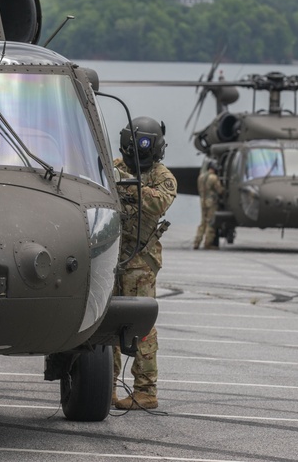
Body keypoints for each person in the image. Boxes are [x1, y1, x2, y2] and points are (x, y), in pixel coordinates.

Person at [112, 116, 177, 411]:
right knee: (105, 325)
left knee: (142, 328)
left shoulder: (164, 177)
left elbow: (157, 202)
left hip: (141, 262)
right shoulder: (114, 167)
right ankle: (106, 384)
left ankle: (146, 390)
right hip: (112, 257)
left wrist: (123, 185)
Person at [194, 159, 223, 249]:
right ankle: (208, 243)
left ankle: (197, 242)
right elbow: (220, 190)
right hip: (211, 203)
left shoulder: (201, 177)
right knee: (210, 223)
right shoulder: (213, 178)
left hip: (202, 201)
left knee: (202, 223)